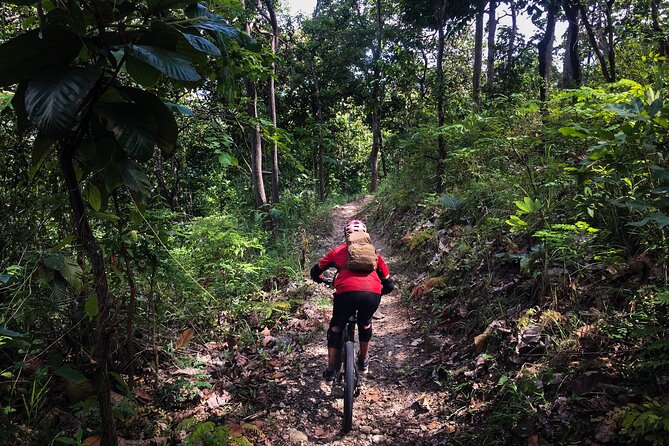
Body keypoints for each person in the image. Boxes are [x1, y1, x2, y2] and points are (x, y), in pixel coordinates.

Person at [310, 219, 395, 381]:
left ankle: (330, 370)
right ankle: (363, 361)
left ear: (345, 235)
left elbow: (316, 271)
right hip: (371, 295)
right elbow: (389, 283)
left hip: (345, 294)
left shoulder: (337, 251)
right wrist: (378, 293)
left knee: (336, 327)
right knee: (365, 323)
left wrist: (319, 279)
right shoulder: (374, 254)